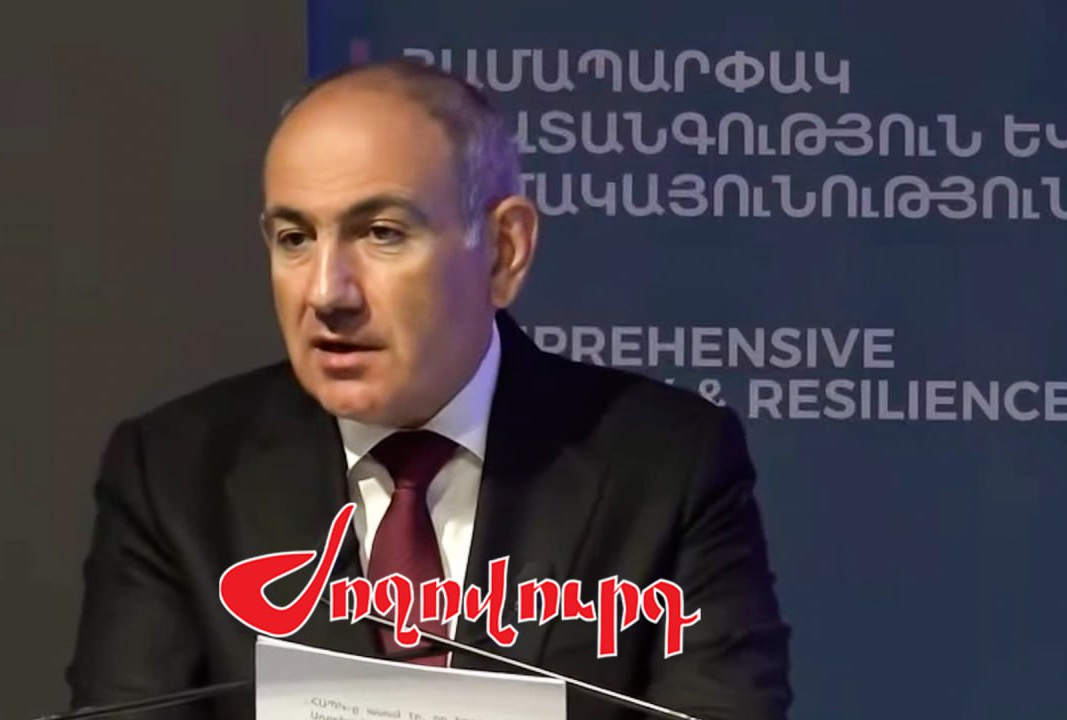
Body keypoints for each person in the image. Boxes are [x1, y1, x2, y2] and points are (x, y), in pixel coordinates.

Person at [66, 58, 791, 720]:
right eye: (295, 238)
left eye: (381, 233)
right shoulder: (173, 475)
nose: (326, 292)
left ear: (503, 251)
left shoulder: (667, 465)